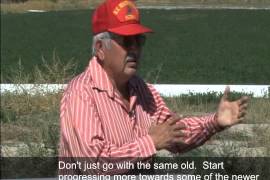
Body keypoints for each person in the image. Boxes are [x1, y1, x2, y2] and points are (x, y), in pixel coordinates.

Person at [59, 0, 249, 175]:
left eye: (139, 41)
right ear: (100, 48)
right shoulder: (81, 93)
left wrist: (215, 122)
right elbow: (95, 165)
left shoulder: (142, 89)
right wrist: (150, 142)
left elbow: (174, 133)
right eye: (127, 41)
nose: (135, 49)